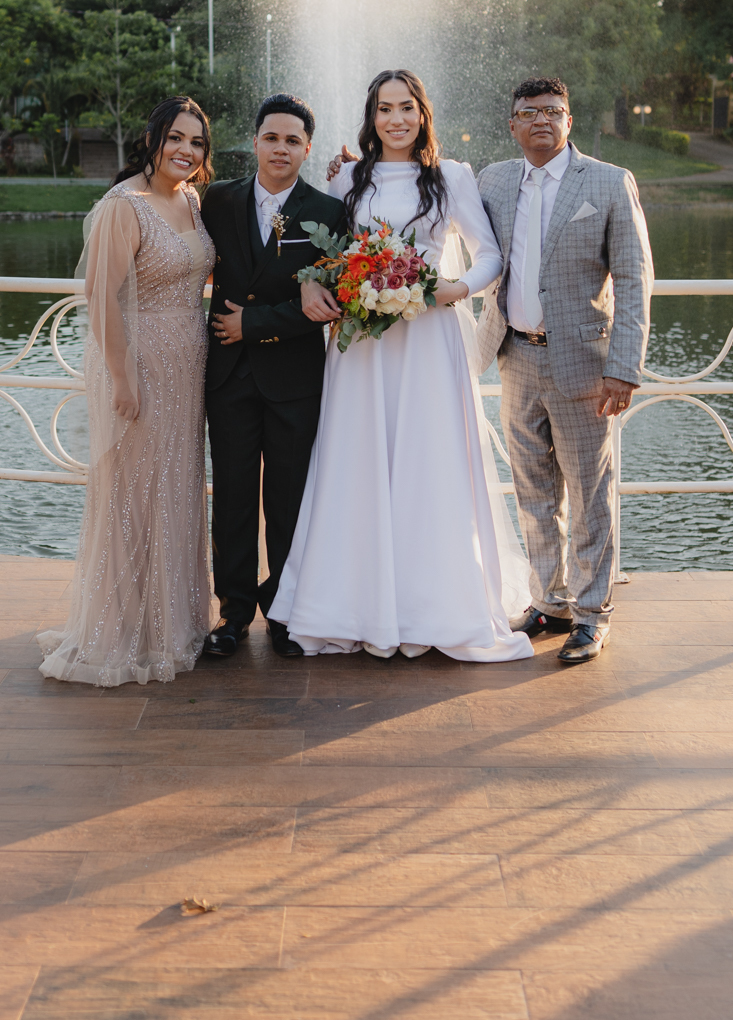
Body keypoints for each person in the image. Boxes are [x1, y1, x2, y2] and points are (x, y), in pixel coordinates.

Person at [269, 69, 533, 662]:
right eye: (385, 108)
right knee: (357, 461)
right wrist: (325, 283)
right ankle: (351, 605)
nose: (396, 119)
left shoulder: (452, 177)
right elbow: (324, 256)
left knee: (427, 462)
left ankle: (433, 606)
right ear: (372, 116)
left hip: (430, 337)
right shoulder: (347, 179)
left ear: (422, 113)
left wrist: (455, 288)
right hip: (363, 343)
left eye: (406, 107)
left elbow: (490, 254)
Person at [38, 96, 216, 686]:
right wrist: (122, 378)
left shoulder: (189, 199)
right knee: (134, 495)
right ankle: (120, 632)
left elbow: (193, 269)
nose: (185, 151)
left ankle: (170, 623)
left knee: (175, 489)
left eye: (196, 142)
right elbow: (102, 298)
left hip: (188, 368)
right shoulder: (124, 206)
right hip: (140, 367)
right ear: (152, 139)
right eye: (175, 138)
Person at [474, 77, 653, 664]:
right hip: (516, 358)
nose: (542, 121)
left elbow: (633, 279)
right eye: (529, 112)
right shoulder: (494, 180)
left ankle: (591, 613)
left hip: (584, 366)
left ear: (569, 121)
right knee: (533, 491)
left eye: (554, 111)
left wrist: (624, 368)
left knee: (589, 493)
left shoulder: (606, 181)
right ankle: (549, 601)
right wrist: (351, 174)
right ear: (513, 125)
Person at [199, 94, 347, 660]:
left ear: (307, 148)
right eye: (271, 137)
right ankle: (233, 613)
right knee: (233, 497)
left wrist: (254, 323)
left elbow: (333, 300)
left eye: (292, 140)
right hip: (230, 376)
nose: (280, 148)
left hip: (294, 378)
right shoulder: (217, 200)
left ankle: (285, 611)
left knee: (289, 501)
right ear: (255, 140)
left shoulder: (329, 212)